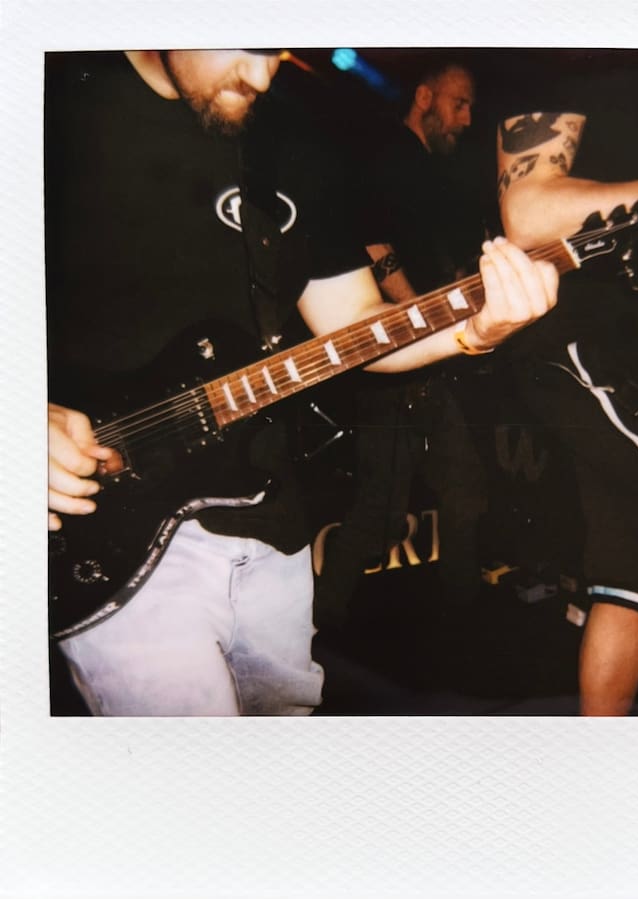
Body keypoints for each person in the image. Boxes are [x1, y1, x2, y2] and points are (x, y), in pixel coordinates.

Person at [46, 49, 559, 716]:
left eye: (278, 46)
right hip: (109, 527)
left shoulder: (293, 141)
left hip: (273, 530)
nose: (261, 75)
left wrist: (474, 331)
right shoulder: (52, 105)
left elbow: (353, 327)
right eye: (245, 40)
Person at [494, 49, 638, 715]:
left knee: (632, 584)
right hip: (587, 351)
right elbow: (525, 214)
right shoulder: (573, 55)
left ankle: (598, 774)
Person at [316, 61, 491, 633]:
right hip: (399, 357)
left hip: (424, 357)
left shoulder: (421, 166)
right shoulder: (389, 156)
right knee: (382, 512)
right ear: (423, 97)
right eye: (458, 103)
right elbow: (368, 241)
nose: (467, 118)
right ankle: (322, 630)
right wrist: (419, 317)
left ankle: (460, 623)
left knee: (460, 491)